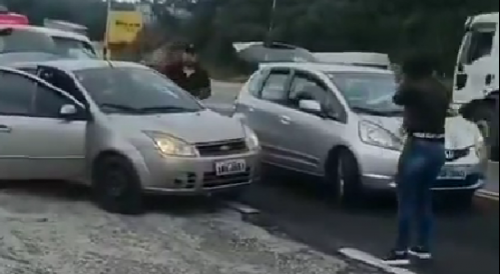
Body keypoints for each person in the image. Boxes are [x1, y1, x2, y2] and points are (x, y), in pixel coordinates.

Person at [383, 53, 450, 266]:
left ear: (409, 72)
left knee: (406, 198)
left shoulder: (412, 87)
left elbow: (397, 98)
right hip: (438, 147)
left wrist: (403, 80)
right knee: (423, 198)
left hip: (417, 145)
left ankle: (400, 250)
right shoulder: (441, 89)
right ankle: (423, 246)